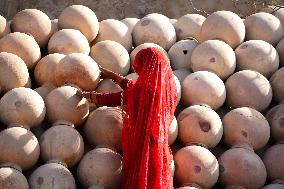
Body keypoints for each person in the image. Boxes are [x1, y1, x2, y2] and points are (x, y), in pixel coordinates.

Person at [77, 47, 177, 189]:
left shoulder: (143, 91)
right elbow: (134, 88)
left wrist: (87, 96)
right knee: (155, 176)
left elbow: (118, 98)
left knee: (142, 177)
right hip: (159, 142)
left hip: (143, 143)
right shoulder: (165, 90)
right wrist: (113, 76)